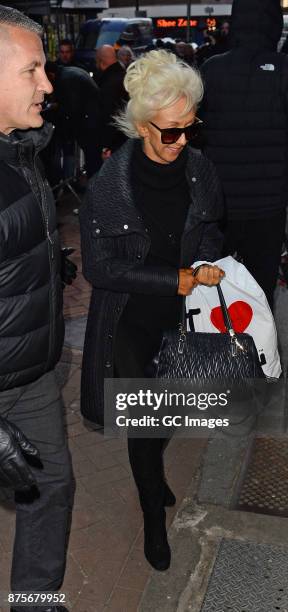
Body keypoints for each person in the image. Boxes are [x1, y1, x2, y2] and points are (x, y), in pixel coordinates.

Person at [79, 50, 225, 571]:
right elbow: (100, 268)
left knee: (172, 411)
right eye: (170, 131)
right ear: (141, 126)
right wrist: (175, 279)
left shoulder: (201, 171)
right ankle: (152, 520)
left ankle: (156, 471)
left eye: (190, 127)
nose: (183, 140)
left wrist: (210, 265)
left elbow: (210, 231)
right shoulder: (107, 189)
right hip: (131, 321)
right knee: (144, 425)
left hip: (184, 320)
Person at [0, 5, 73, 612]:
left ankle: (35, 602)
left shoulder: (19, 150)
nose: (47, 84)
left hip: (31, 371)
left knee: (52, 487)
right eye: (32, 70)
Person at [199, 0, 288, 308]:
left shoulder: (211, 68)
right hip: (266, 201)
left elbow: (195, 126)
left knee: (215, 279)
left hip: (219, 201)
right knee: (260, 284)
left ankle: (215, 351)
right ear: (272, 25)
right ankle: (254, 349)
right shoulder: (287, 68)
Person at [45, 61, 102, 179]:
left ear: (50, 75)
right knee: (93, 158)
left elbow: (73, 107)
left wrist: (57, 107)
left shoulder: (66, 79)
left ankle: (94, 187)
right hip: (92, 119)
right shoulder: (69, 72)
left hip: (89, 123)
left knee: (92, 159)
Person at [95, 45, 128, 156]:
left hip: (115, 144)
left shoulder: (108, 84)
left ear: (101, 61)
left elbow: (108, 116)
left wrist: (107, 145)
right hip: (127, 138)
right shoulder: (124, 77)